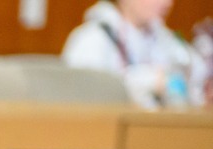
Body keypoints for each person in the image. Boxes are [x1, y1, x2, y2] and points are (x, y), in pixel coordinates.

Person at [62, 0, 206, 108]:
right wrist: (146, 81)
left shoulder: (167, 40)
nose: (167, 2)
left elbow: (198, 79)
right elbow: (83, 98)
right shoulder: (90, 40)